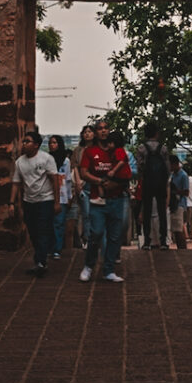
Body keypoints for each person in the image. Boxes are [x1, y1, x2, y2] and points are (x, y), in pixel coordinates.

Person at [78, 118, 131, 284]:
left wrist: (116, 183)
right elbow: (83, 173)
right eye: (99, 128)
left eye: (106, 128)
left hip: (116, 199)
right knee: (97, 233)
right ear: (95, 132)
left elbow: (128, 170)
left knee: (115, 236)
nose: (103, 131)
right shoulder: (89, 151)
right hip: (97, 200)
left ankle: (108, 270)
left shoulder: (116, 150)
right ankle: (89, 265)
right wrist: (100, 182)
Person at [11, 128, 60, 276]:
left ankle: (41, 262)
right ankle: (42, 255)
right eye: (23, 141)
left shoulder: (46, 159)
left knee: (42, 230)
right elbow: (16, 183)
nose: (24, 144)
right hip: (29, 201)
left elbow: (55, 181)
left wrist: (57, 202)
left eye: (27, 141)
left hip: (45, 199)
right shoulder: (20, 162)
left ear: (36, 145)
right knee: (33, 231)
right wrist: (12, 203)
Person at [136, 120, 170, 249]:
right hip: (160, 183)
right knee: (162, 212)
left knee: (147, 211)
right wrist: (165, 181)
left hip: (148, 183)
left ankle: (147, 241)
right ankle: (163, 241)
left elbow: (140, 167)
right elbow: (167, 168)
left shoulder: (141, 148)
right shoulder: (163, 148)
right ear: (157, 133)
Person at [48, 134, 73, 258]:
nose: (52, 145)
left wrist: (69, 196)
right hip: (48, 195)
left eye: (54, 142)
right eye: (50, 143)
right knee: (48, 223)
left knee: (59, 223)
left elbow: (68, 180)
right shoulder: (47, 159)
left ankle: (57, 249)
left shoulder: (65, 161)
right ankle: (49, 248)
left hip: (62, 195)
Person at [168, 153, 190, 248]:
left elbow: (186, 192)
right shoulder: (172, 175)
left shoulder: (183, 175)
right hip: (173, 204)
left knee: (178, 229)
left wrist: (175, 191)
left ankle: (182, 248)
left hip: (180, 204)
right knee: (175, 229)